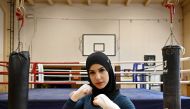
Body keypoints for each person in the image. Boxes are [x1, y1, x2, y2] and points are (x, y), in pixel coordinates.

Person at [62, 51, 136, 109]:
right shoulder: (87, 98)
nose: (97, 77)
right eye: (92, 72)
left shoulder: (123, 101)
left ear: (109, 71)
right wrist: (74, 97)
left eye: (101, 70)